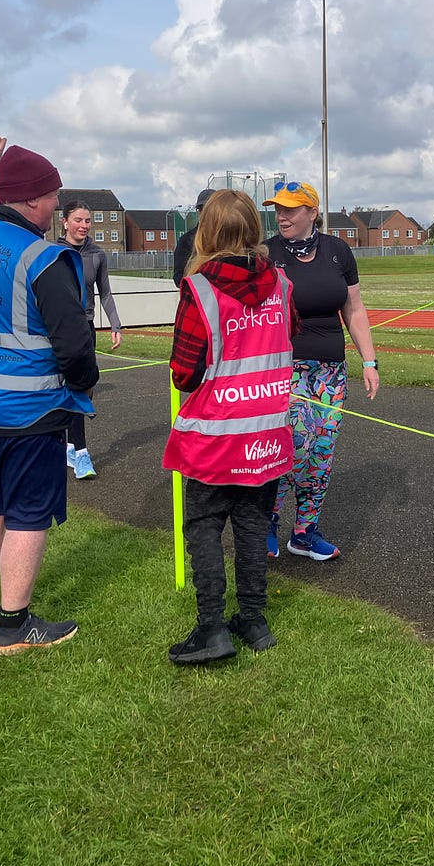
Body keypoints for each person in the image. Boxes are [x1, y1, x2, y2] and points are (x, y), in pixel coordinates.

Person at [0, 137, 99, 656]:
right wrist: (83, 383)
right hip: (29, 411)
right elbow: (74, 342)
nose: (57, 204)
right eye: (53, 195)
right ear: (33, 199)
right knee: (28, 515)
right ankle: (15, 624)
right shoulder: (44, 257)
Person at [161, 190, 297, 663]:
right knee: (254, 524)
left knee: (203, 526)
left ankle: (212, 627)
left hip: (214, 435)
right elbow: (287, 338)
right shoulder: (280, 285)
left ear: (207, 232)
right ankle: (255, 621)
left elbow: (184, 371)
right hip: (266, 433)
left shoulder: (198, 289)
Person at [263, 179, 379, 560]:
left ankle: (305, 532)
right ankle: (268, 521)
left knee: (322, 451)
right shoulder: (267, 253)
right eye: (278, 209)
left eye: (291, 210)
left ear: (312, 212)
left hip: (331, 371)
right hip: (285, 368)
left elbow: (354, 309)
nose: (282, 216)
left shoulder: (337, 251)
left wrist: (369, 360)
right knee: (296, 444)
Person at [56, 198, 122, 480]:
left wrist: (115, 325)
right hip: (57, 329)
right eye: (78, 220)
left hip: (85, 327)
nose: (84, 226)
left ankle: (72, 446)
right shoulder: (52, 252)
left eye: (88, 220)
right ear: (65, 222)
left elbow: (104, 293)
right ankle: (79, 452)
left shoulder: (97, 254)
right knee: (66, 391)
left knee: (83, 388)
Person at [171, 187, 216, 287]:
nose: (205, 213)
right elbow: (179, 277)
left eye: (212, 209)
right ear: (198, 212)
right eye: (201, 209)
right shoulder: (186, 241)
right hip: (200, 298)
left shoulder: (230, 238)